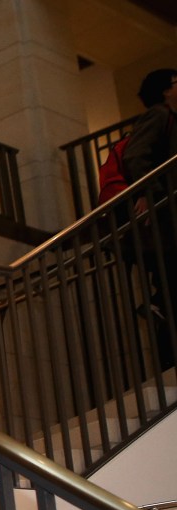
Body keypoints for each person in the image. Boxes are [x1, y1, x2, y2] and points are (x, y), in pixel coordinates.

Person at [122, 68, 177, 371]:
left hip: (166, 219)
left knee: (169, 291)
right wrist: (151, 191)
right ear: (166, 91)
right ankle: (169, 362)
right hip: (165, 220)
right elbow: (135, 156)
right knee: (170, 288)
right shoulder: (159, 115)